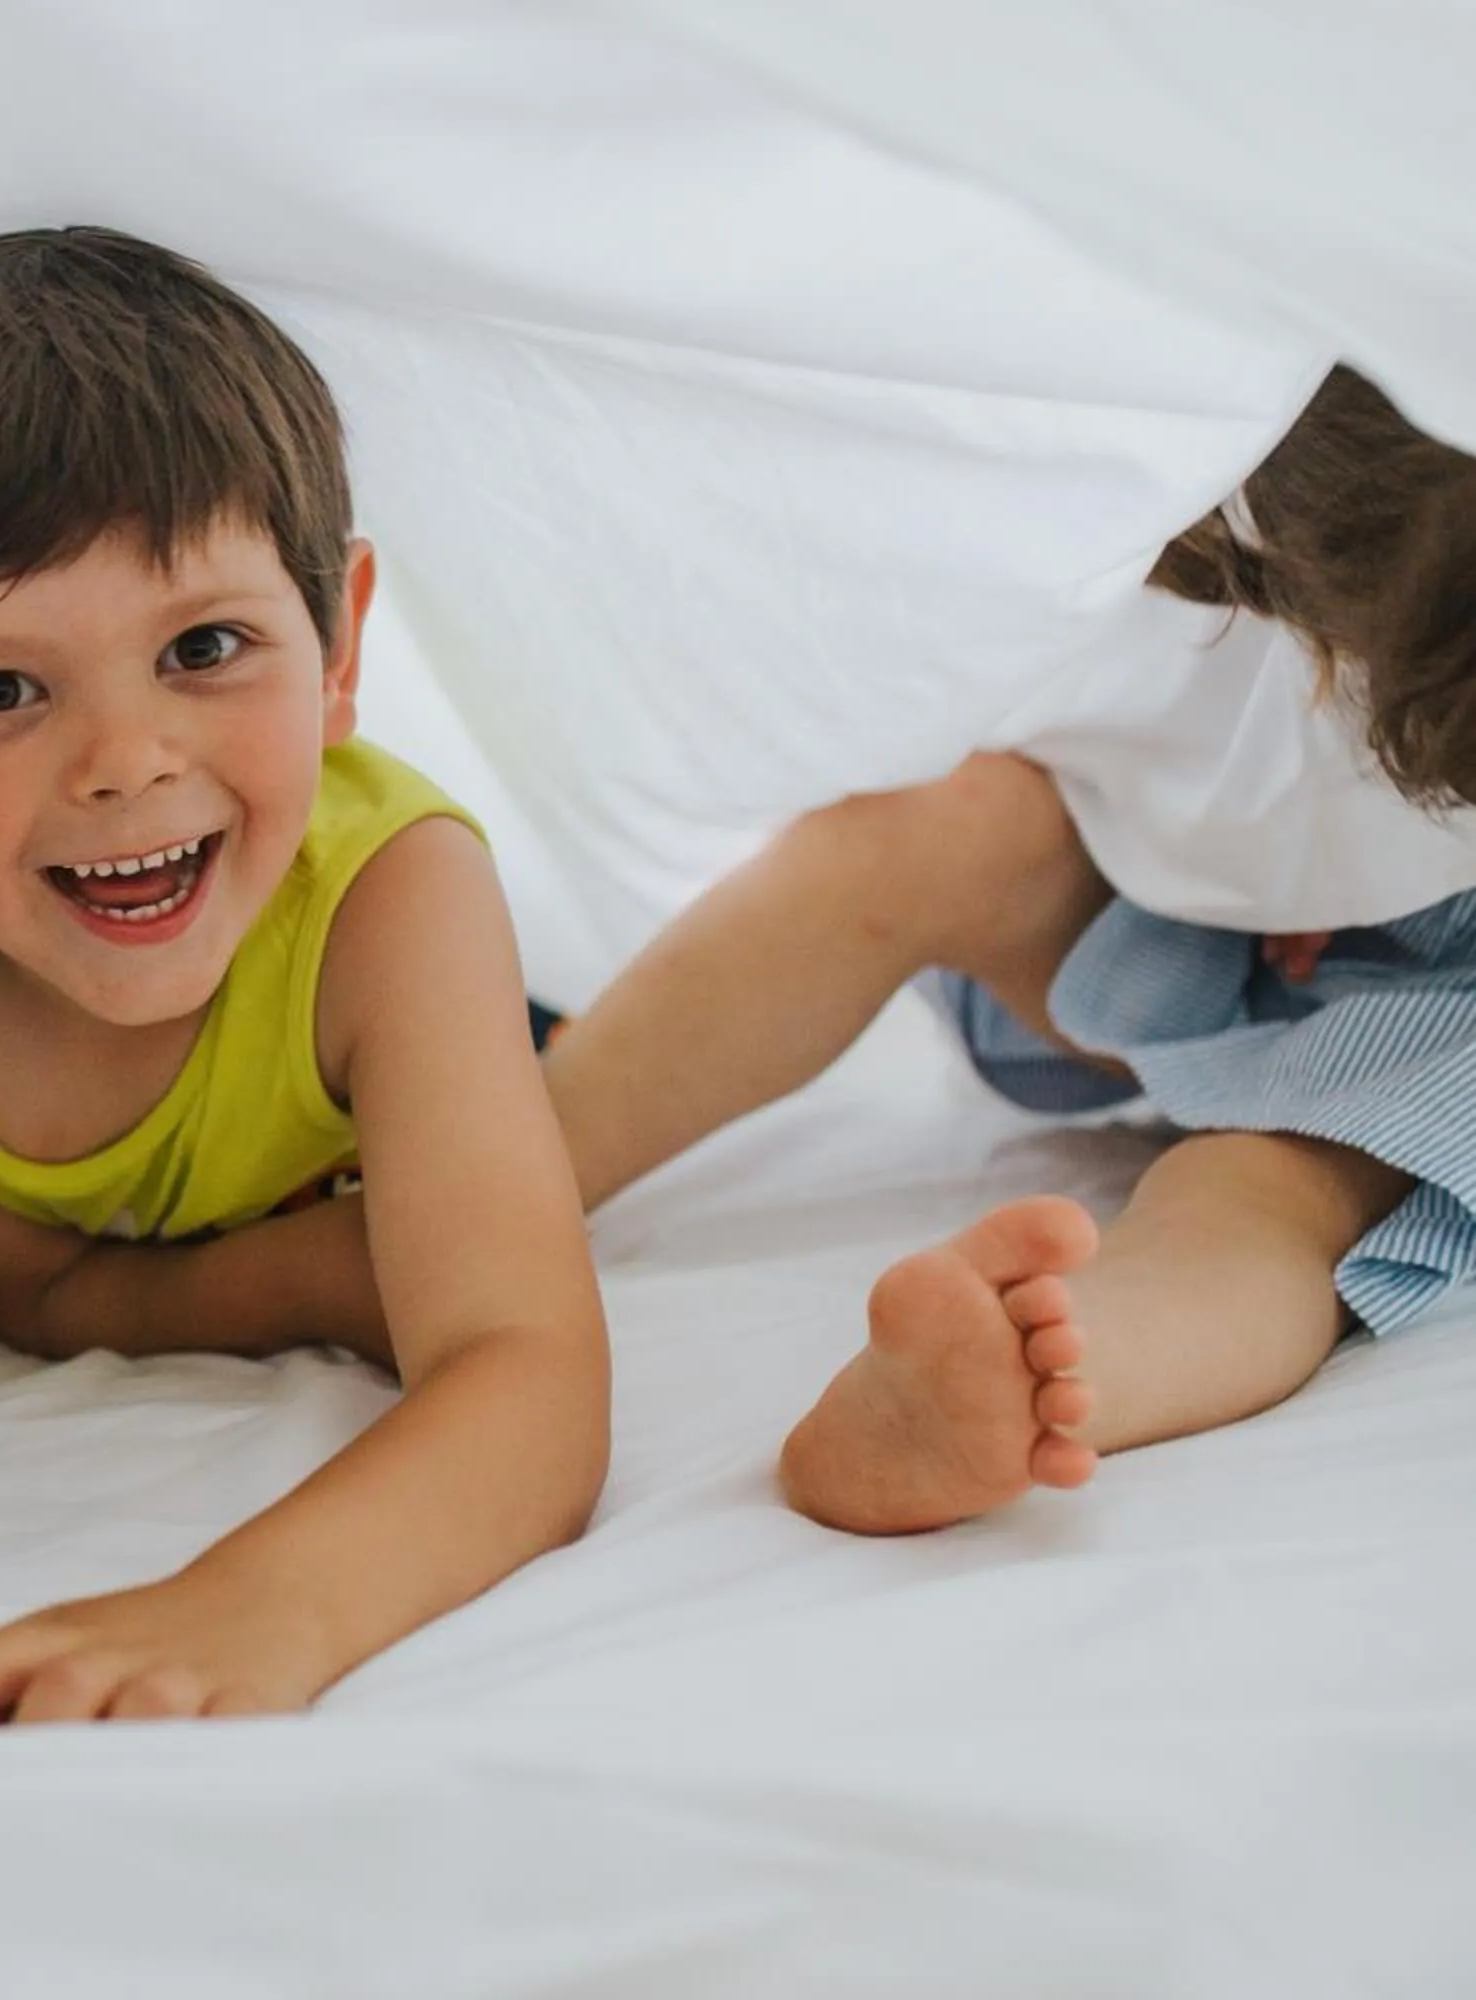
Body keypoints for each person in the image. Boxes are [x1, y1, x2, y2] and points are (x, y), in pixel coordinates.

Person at [0, 227, 608, 1729]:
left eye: (205, 645)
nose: (126, 762)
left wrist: (256, 1605)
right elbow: (44, 1299)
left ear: (335, 654)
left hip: (478, 1044)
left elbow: (531, 1374)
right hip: (331, 1198)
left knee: (605, 1123)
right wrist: (329, 1271)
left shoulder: (397, 900)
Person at [542, 363, 1476, 1536]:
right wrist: (1296, 839)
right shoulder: (1266, 420)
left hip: (1447, 997)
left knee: (1266, 1199)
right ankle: (514, 1167)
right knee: (921, 830)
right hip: (1223, 881)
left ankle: (1047, 1369)